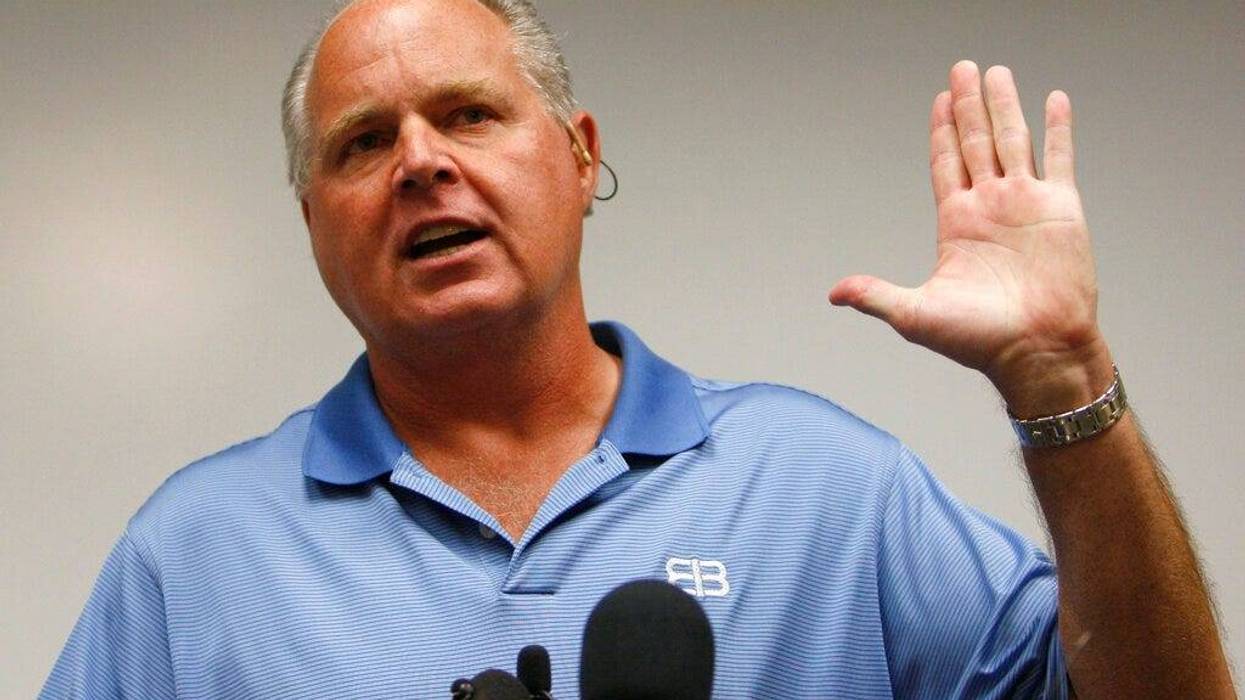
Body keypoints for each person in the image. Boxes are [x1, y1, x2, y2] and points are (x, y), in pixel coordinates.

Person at [41, 0, 1234, 697]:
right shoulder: (190, 560)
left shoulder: (824, 490)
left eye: (467, 113)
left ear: (577, 156)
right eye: (361, 143)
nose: (419, 161)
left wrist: (1065, 382)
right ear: (314, 221)